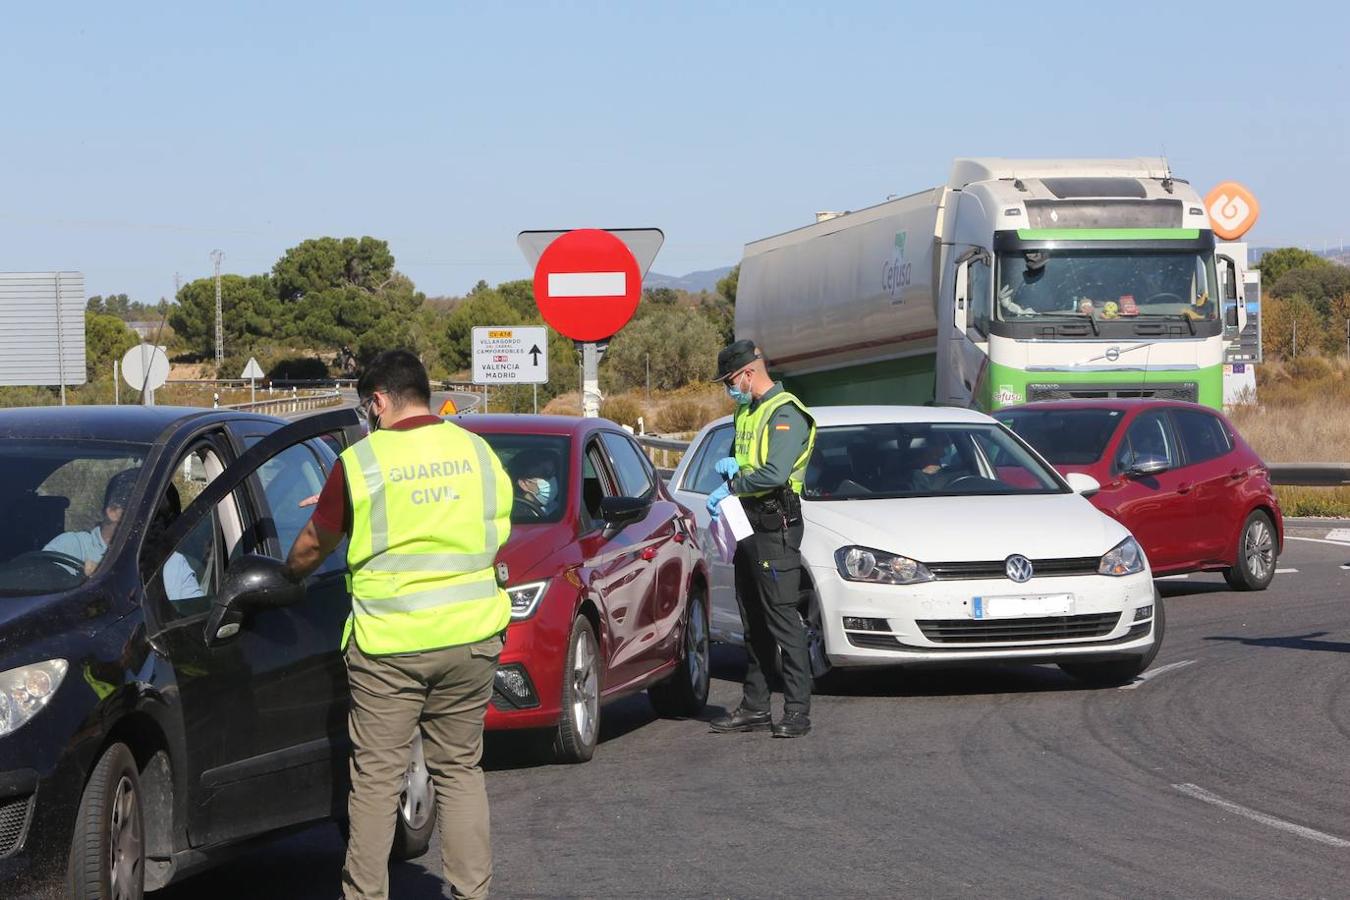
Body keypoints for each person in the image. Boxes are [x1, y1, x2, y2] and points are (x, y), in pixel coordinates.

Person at [284, 349, 513, 900]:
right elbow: (497, 525)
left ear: (380, 399)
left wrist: (289, 570)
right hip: (470, 637)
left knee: (377, 781)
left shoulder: (361, 463)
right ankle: (471, 893)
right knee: (459, 770)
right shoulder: (476, 451)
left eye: (369, 407)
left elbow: (316, 543)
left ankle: (365, 895)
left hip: (390, 648)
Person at [705, 340, 817, 739]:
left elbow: (772, 473)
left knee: (783, 619)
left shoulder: (785, 412)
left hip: (775, 524)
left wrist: (735, 482)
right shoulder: (746, 412)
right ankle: (754, 706)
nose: (728, 389)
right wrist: (731, 478)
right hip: (747, 524)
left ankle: (797, 710)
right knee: (752, 618)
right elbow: (747, 458)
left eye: (730, 381)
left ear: (749, 373)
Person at [45, 467, 202, 601]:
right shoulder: (70, 547)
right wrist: (81, 583)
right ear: (114, 511)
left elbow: (192, 620)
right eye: (146, 514)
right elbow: (37, 594)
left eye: (161, 517)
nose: (156, 523)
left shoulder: (172, 564)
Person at [507, 448, 560, 521]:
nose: (552, 479)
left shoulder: (559, 509)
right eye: (546, 474)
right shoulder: (517, 516)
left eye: (553, 473)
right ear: (524, 483)